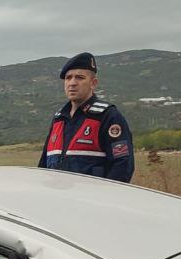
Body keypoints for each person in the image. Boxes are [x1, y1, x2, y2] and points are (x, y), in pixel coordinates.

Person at [38, 52, 135, 182]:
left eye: (80, 77)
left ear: (93, 83)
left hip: (91, 199)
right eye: (68, 78)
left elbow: (123, 165)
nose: (72, 83)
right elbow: (43, 165)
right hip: (57, 198)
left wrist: (104, 198)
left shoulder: (107, 116)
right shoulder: (58, 119)